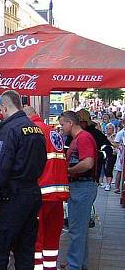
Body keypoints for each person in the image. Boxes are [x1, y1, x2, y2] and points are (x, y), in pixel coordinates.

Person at [0, 90, 46, 270]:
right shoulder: (36, 129)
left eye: (1, 110)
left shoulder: (10, 129)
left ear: (4, 107)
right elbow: (41, 161)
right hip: (32, 193)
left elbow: (1, 166)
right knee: (25, 250)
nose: (1, 114)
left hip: (12, 197)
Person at [23, 106, 69, 270]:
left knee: (36, 239)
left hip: (40, 193)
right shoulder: (53, 132)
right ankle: (50, 267)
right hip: (57, 195)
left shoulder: (32, 132)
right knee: (52, 239)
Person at [60, 111, 97, 270]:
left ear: (70, 123)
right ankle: (79, 263)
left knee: (76, 230)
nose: (61, 128)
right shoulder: (80, 138)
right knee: (79, 229)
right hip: (81, 186)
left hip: (82, 186)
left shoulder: (83, 138)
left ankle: (74, 266)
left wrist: (68, 171)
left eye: (62, 124)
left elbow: (88, 163)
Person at [76, 109, 111, 190]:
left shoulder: (96, 134)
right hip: (74, 176)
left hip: (90, 177)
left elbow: (109, 149)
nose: (79, 124)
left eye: (81, 122)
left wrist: (98, 156)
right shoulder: (72, 134)